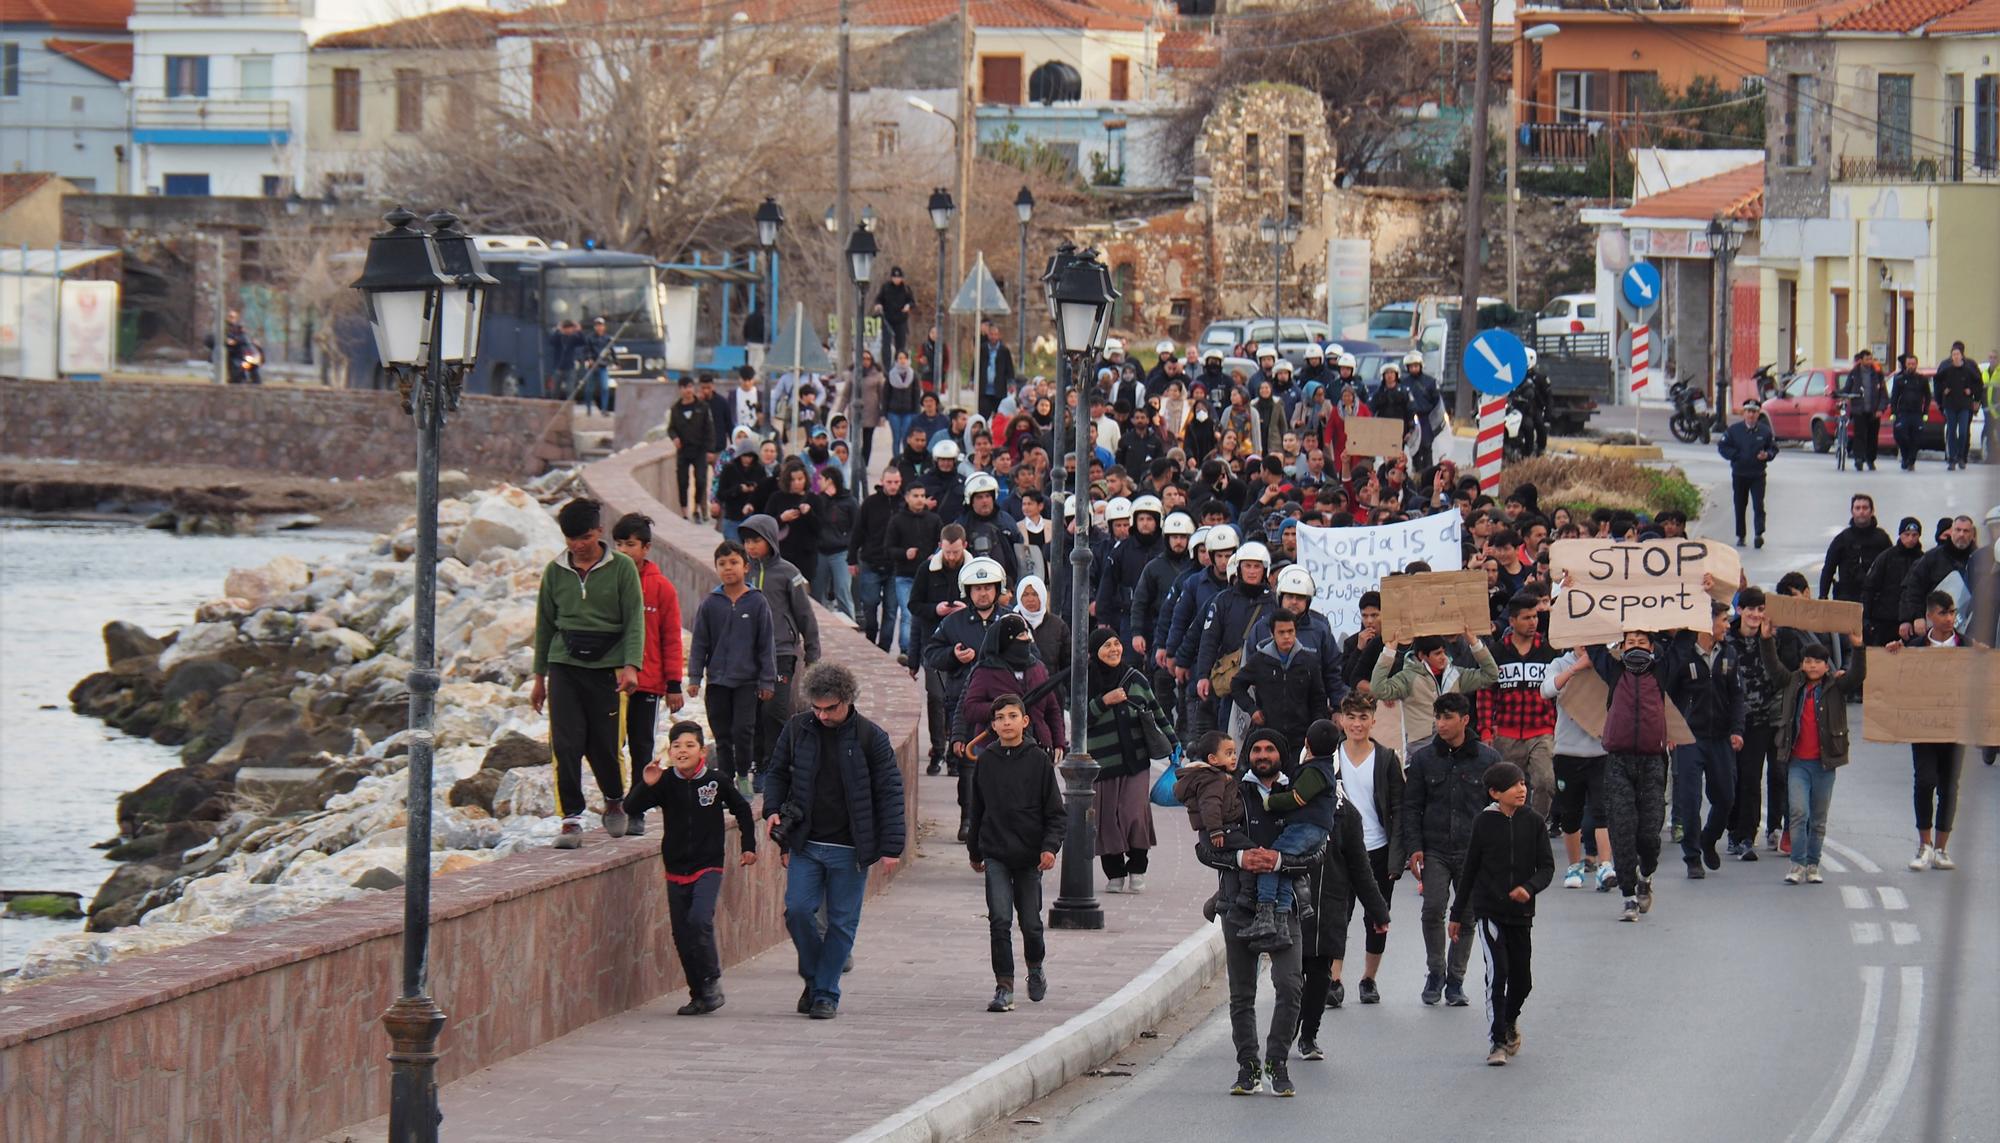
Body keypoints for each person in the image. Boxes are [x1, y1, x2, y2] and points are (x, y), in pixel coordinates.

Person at [763, 662, 906, 1019]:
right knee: (797, 911)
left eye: (830, 708)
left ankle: (825, 993)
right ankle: (815, 979)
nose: (822, 715)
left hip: (850, 848)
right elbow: (777, 772)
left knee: (842, 923)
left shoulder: (871, 737)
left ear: (847, 700)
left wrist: (891, 847)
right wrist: (771, 810)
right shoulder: (797, 729)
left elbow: (890, 791)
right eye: (817, 707)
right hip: (806, 844)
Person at [1196, 728, 1316, 1097]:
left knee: (1291, 986)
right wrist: (1241, 857)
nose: (1263, 755)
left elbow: (1318, 850)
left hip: (1288, 906)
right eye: (1257, 749)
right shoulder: (1230, 791)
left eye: (1270, 749)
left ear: (1281, 755)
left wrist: (1279, 860)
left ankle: (1277, 1061)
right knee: (1241, 993)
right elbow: (1205, 848)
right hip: (1237, 904)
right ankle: (1248, 1065)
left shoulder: (1298, 793)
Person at [530, 498, 646, 848]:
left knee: (605, 744)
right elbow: (544, 625)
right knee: (565, 743)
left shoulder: (622, 568)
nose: (577, 545)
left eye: (583, 537)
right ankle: (570, 819)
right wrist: (539, 678)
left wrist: (631, 666)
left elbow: (634, 620)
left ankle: (613, 800)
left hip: (606, 668)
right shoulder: (555, 571)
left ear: (598, 531)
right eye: (570, 538)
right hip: (564, 664)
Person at [621, 722, 757, 1015]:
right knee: (681, 933)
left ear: (702, 751)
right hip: (675, 868)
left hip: (708, 865)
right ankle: (699, 994)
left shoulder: (716, 780)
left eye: (689, 745)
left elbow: (742, 809)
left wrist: (749, 845)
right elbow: (631, 808)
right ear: (670, 751)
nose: (682, 751)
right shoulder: (666, 781)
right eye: (676, 746)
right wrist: (647, 783)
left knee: (699, 920)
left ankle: (711, 981)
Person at [1448, 760, 1553, 1066]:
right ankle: (1497, 1042)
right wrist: (1457, 913)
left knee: (1523, 980)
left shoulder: (1533, 822)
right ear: (1495, 792)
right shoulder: (1484, 823)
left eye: (1523, 783)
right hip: (1489, 911)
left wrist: (1529, 888)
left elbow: (1547, 867)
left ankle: (1509, 1019)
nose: (1521, 789)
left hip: (1521, 914)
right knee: (1499, 973)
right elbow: (1470, 869)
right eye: (1514, 785)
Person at [966, 693, 1067, 1013]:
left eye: (1012, 716)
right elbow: (976, 810)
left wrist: (1049, 848)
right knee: (999, 919)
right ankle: (1004, 985)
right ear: (992, 725)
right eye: (999, 718)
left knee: (1031, 922)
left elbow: (1055, 812)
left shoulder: (1038, 760)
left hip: (1029, 855)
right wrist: (974, 850)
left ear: (1025, 721)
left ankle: (1035, 967)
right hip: (995, 851)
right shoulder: (986, 760)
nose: (1006, 723)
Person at [1400, 691, 1499, 1007]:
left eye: (1447, 717)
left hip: (1473, 852)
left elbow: (1499, 807)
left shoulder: (1488, 760)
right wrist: (1414, 847)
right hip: (1436, 849)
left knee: (1467, 916)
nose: (1440, 724)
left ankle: (1456, 980)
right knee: (1432, 908)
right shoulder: (1424, 759)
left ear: (1465, 720)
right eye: (1438, 717)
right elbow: (1412, 805)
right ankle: (1436, 971)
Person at [1585, 626, 1690, 920]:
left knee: (1649, 833)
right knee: (1622, 829)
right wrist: (1574, 595)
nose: (1636, 647)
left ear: (1652, 647)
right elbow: (1593, 645)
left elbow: (1684, 642)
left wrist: (1695, 599)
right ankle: (1629, 896)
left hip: (1652, 761)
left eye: (1642, 642)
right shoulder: (1615, 671)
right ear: (1621, 645)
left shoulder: (1661, 671)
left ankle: (1646, 875)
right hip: (1618, 761)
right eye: (1630, 642)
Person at [1758, 624, 1866, 884]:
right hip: (1797, 763)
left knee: (1817, 819)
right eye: (1808, 661)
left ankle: (1813, 864)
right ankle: (1797, 864)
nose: (1813, 666)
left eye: (1818, 661)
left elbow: (1858, 675)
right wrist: (1765, 640)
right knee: (1798, 813)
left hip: (1825, 764)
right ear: (1802, 664)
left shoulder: (1836, 686)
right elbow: (1773, 666)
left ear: (1826, 666)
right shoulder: (1793, 682)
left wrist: (1859, 646)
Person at [609, 514, 687, 836]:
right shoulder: (607, 582)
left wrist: (673, 684)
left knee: (642, 745)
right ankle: (613, 803)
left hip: (648, 682)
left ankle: (638, 808)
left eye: (631, 544)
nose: (624, 550)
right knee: (611, 745)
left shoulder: (661, 588)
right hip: (611, 681)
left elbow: (671, 638)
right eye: (619, 544)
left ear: (646, 548)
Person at [1085, 626, 1176, 893]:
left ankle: (1138, 868)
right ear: (1094, 653)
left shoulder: (1135, 678)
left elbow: (1157, 713)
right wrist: (1104, 701)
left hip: (1136, 760)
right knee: (1107, 818)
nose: (1114, 649)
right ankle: (1114, 873)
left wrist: (1174, 744)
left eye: (1116, 643)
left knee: (1134, 814)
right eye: (1106, 646)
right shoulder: (1086, 680)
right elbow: (1078, 717)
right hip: (1102, 763)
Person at [1325, 696, 1403, 1007]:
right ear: (1341, 720)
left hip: (1378, 850)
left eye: (1363, 717)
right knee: (1336, 917)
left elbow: (1399, 806)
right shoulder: (1329, 757)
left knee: (1377, 917)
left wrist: (1399, 855)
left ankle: (1369, 979)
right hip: (1339, 851)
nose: (1357, 723)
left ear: (1373, 720)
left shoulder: (1386, 758)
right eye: (1351, 717)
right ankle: (1334, 979)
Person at [1885, 592, 1970, 872]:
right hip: (1923, 727)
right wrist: (1892, 656)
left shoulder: (1967, 646)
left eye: (1953, 613)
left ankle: (1942, 848)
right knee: (1925, 781)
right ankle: (1924, 845)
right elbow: (1893, 680)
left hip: (1955, 728)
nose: (1950, 619)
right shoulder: (1913, 647)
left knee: (1949, 786)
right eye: (1944, 613)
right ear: (1930, 616)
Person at [739, 513, 823, 789]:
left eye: (756, 540)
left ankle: (775, 765)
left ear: (771, 540)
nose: (751, 547)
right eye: (747, 541)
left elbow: (805, 615)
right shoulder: (743, 572)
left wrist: (812, 653)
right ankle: (758, 764)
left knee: (774, 710)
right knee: (751, 712)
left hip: (781, 653)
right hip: (748, 655)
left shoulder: (789, 573)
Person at [929, 556, 1011, 837]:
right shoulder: (954, 623)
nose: (983, 593)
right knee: (967, 765)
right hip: (966, 704)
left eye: (988, 587)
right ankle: (968, 819)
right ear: (968, 591)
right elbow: (932, 654)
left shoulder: (1012, 620)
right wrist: (953, 655)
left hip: (1005, 707)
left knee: (1005, 766)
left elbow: (1032, 658)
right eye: (977, 588)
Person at [686, 541, 777, 789]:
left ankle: (744, 776)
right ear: (716, 568)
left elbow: (766, 644)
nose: (728, 568)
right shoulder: (710, 604)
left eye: (734, 562)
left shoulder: (757, 602)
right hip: (717, 681)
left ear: (746, 567)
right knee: (722, 733)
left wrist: (767, 680)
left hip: (747, 682)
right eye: (722, 564)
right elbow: (700, 643)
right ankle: (725, 779)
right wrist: (695, 678)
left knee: (743, 731)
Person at [1666, 602, 1746, 879]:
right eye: (1724, 620)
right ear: (1706, 622)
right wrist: (1671, 730)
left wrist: (1737, 730)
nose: (1727, 625)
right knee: (1689, 799)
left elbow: (1737, 696)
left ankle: (1708, 838)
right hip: (1689, 737)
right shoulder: (1682, 655)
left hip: (1721, 738)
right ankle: (1692, 857)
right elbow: (1668, 695)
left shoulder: (1730, 653)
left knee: (1726, 797)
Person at [1479, 594, 1559, 822]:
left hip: (1542, 730)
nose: (1533, 622)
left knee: (1546, 782)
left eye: (1535, 617)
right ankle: (1508, 826)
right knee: (1505, 789)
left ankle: (1535, 824)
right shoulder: (1496, 652)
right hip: (1505, 733)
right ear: (1512, 621)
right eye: (1526, 618)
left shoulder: (1548, 650)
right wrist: (1486, 730)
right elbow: (1486, 693)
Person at [1541, 648, 1616, 890]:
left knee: (1602, 809)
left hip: (1600, 751)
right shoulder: (1560, 663)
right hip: (1567, 751)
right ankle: (1574, 866)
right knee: (1570, 813)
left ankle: (1605, 865)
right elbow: (1546, 690)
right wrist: (1575, 668)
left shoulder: (1607, 662)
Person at [1724, 587, 1784, 861]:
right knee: (1729, 779)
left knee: (1751, 778)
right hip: (1729, 720)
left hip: (1761, 718)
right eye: (1751, 609)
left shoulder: (1771, 638)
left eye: (1761, 610)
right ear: (1740, 610)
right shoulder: (1725, 638)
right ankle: (1732, 829)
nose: (1756, 615)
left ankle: (1746, 836)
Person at [1369, 629, 1500, 756]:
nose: (1443, 657)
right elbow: (1378, 689)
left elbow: (1491, 675)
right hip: (1419, 747)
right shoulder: (1407, 678)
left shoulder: (1456, 674)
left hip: (1454, 745)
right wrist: (1388, 652)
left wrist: (1474, 643)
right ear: (1422, 656)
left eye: (1444, 652)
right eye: (1437, 654)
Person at [955, 614, 1066, 755]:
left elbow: (1052, 710)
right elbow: (970, 708)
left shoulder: (1038, 668)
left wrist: (1059, 743)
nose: (1026, 639)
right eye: (1021, 635)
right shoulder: (986, 671)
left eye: (1027, 634)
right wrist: (1004, 710)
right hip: (995, 750)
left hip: (1037, 748)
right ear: (1007, 641)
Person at [1230, 611, 1330, 761]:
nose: (1286, 637)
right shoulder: (1260, 660)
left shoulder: (1308, 661)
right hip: (1269, 734)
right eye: (1281, 632)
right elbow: (1237, 684)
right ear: (1272, 633)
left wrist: (1315, 731)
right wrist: (1252, 709)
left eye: (1290, 631)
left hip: (1300, 737)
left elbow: (1318, 698)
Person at [1717, 399, 1776, 548]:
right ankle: (1741, 535)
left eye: (1754, 412)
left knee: (1758, 505)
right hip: (1739, 474)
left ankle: (1758, 534)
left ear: (1758, 414)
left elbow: (1773, 448)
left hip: (1758, 474)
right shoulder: (1734, 430)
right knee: (1740, 504)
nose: (1751, 415)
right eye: (1748, 411)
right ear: (1744, 413)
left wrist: (1767, 455)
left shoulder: (1765, 431)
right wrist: (1735, 456)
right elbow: (1723, 447)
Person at [1864, 518, 1927, 646]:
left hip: (1910, 623)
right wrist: (1866, 618)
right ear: (1900, 535)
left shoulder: (1923, 560)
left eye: (1914, 535)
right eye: (1907, 535)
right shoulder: (1886, 557)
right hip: (1884, 621)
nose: (1910, 539)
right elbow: (1869, 588)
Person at [1821, 494, 1890, 607]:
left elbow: (1892, 569)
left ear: (1872, 511)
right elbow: (1828, 569)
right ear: (1852, 512)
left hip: (1876, 600)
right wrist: (1823, 596)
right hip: (1847, 599)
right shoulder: (1842, 539)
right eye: (1857, 508)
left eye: (1865, 508)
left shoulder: (1882, 538)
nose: (1861, 511)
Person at [668, 382, 716, 520]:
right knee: (683, 481)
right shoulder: (676, 409)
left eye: (690, 387)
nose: (688, 390)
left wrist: (710, 449)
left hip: (700, 449)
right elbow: (671, 428)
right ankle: (684, 511)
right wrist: (675, 438)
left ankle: (696, 508)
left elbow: (709, 429)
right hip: (683, 450)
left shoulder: (702, 407)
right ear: (680, 390)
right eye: (685, 387)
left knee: (700, 480)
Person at [1934, 341, 1983, 470]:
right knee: (1951, 431)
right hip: (1949, 405)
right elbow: (1937, 381)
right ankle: (1952, 459)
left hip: (1965, 405)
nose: (1956, 356)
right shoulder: (1945, 366)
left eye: (1958, 353)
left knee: (1963, 432)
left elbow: (1978, 382)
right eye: (1954, 353)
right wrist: (1941, 396)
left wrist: (1975, 397)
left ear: (1962, 354)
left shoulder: (1969, 366)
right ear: (1951, 354)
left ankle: (1962, 457)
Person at [1841, 350, 1889, 471]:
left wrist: (1880, 409)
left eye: (1870, 359)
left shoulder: (1877, 374)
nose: (1869, 361)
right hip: (1859, 409)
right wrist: (1838, 393)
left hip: (1874, 410)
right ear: (1861, 360)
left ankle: (1870, 459)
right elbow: (1847, 388)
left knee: (1873, 437)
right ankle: (1859, 459)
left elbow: (1883, 394)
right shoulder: (1854, 373)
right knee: (1859, 436)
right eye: (1867, 359)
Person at [975, 320, 1016, 420]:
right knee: (983, 414)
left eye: (995, 334)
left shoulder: (1004, 350)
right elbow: (976, 365)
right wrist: (973, 379)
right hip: (984, 389)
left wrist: (1010, 382)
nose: (993, 337)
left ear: (999, 336)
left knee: (999, 415)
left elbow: (1009, 368)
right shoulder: (982, 348)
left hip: (999, 389)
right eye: (991, 334)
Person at [873, 266, 915, 360]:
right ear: (891, 278)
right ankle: (887, 368)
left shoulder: (906, 289)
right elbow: (879, 299)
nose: (897, 279)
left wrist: (908, 306)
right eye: (895, 277)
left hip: (901, 320)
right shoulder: (885, 287)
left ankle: (899, 364)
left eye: (899, 277)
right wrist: (878, 305)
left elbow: (912, 302)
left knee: (900, 346)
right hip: (887, 319)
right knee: (886, 344)